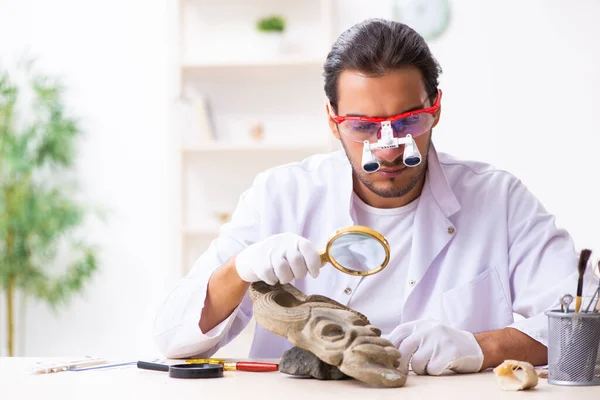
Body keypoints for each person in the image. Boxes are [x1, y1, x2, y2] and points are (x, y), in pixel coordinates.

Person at [154, 18, 593, 376]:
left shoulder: (500, 199)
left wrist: (480, 347)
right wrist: (240, 269)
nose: (387, 149)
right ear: (332, 119)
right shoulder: (281, 195)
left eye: (407, 123)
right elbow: (173, 337)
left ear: (435, 107)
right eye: (362, 126)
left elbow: (586, 327)